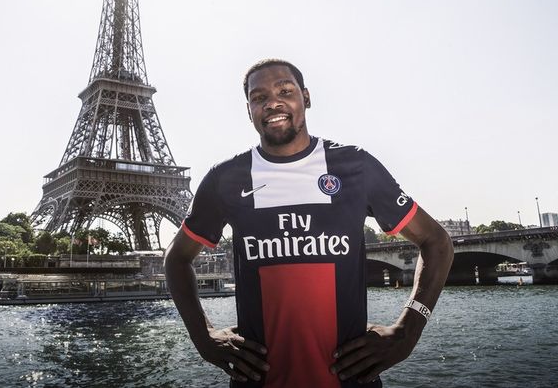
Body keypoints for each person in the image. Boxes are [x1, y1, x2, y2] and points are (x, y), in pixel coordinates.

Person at [165, 59, 454, 387]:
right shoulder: (225, 179)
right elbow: (176, 258)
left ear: (306, 97)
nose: (272, 103)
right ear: (249, 111)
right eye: (259, 97)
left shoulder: (356, 166)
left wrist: (409, 329)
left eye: (285, 91)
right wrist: (203, 336)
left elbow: (437, 242)